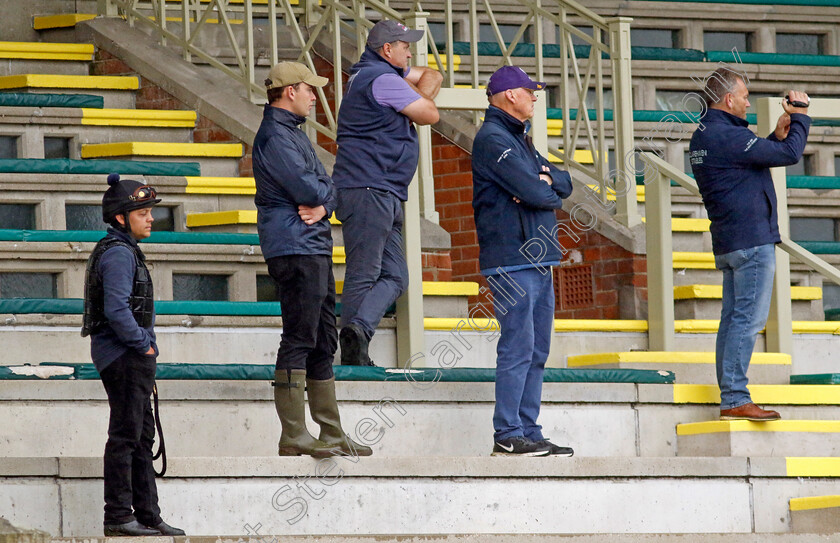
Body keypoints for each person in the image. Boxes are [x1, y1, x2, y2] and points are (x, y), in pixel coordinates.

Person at [253, 61, 372, 458]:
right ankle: (293, 433)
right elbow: (308, 185)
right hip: (294, 246)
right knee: (301, 336)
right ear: (290, 91)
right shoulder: (275, 136)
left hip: (312, 243)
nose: (313, 96)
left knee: (324, 339)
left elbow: (327, 187)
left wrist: (323, 201)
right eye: (308, 89)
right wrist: (322, 193)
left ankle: (330, 432)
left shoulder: (291, 134)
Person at [689, 67, 810, 421]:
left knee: (732, 321)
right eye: (743, 96)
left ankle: (732, 395)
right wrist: (800, 117)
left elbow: (750, 161)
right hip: (751, 242)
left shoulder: (707, 134)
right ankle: (735, 397)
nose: (746, 102)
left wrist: (775, 134)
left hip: (730, 241)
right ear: (728, 99)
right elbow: (788, 155)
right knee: (746, 321)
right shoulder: (726, 135)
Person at [471, 66, 574, 457]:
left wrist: (545, 182)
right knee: (518, 346)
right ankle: (508, 432)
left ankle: (529, 430)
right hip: (512, 258)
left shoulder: (518, 139)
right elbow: (540, 194)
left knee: (538, 349)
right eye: (530, 91)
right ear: (510, 95)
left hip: (537, 257)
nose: (535, 96)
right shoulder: (493, 138)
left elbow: (562, 183)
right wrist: (541, 184)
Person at [331, 19, 443, 366]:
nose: (410, 50)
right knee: (364, 273)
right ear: (387, 50)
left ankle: (358, 330)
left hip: (383, 190)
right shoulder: (382, 79)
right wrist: (413, 97)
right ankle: (352, 353)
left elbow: (433, 75)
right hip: (369, 188)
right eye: (404, 45)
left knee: (396, 275)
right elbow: (430, 114)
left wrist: (413, 92)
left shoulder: (381, 73)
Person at [81, 174, 184, 536]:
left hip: (128, 356)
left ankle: (147, 514)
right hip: (124, 356)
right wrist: (144, 344)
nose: (151, 218)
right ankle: (119, 515)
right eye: (142, 212)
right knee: (127, 436)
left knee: (141, 436)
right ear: (122, 217)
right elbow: (117, 309)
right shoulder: (119, 254)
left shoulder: (121, 250)